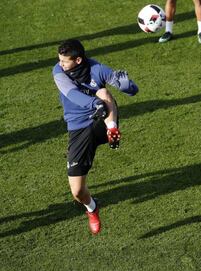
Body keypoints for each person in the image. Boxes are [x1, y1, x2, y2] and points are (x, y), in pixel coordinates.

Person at [52, 39, 138, 235]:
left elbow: (132, 90)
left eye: (65, 61)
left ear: (79, 60)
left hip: (101, 122)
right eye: (60, 60)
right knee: (77, 192)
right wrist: (94, 104)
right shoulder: (58, 72)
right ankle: (92, 208)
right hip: (78, 129)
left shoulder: (97, 68)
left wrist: (127, 86)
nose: (61, 64)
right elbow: (71, 94)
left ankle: (112, 130)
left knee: (103, 91)